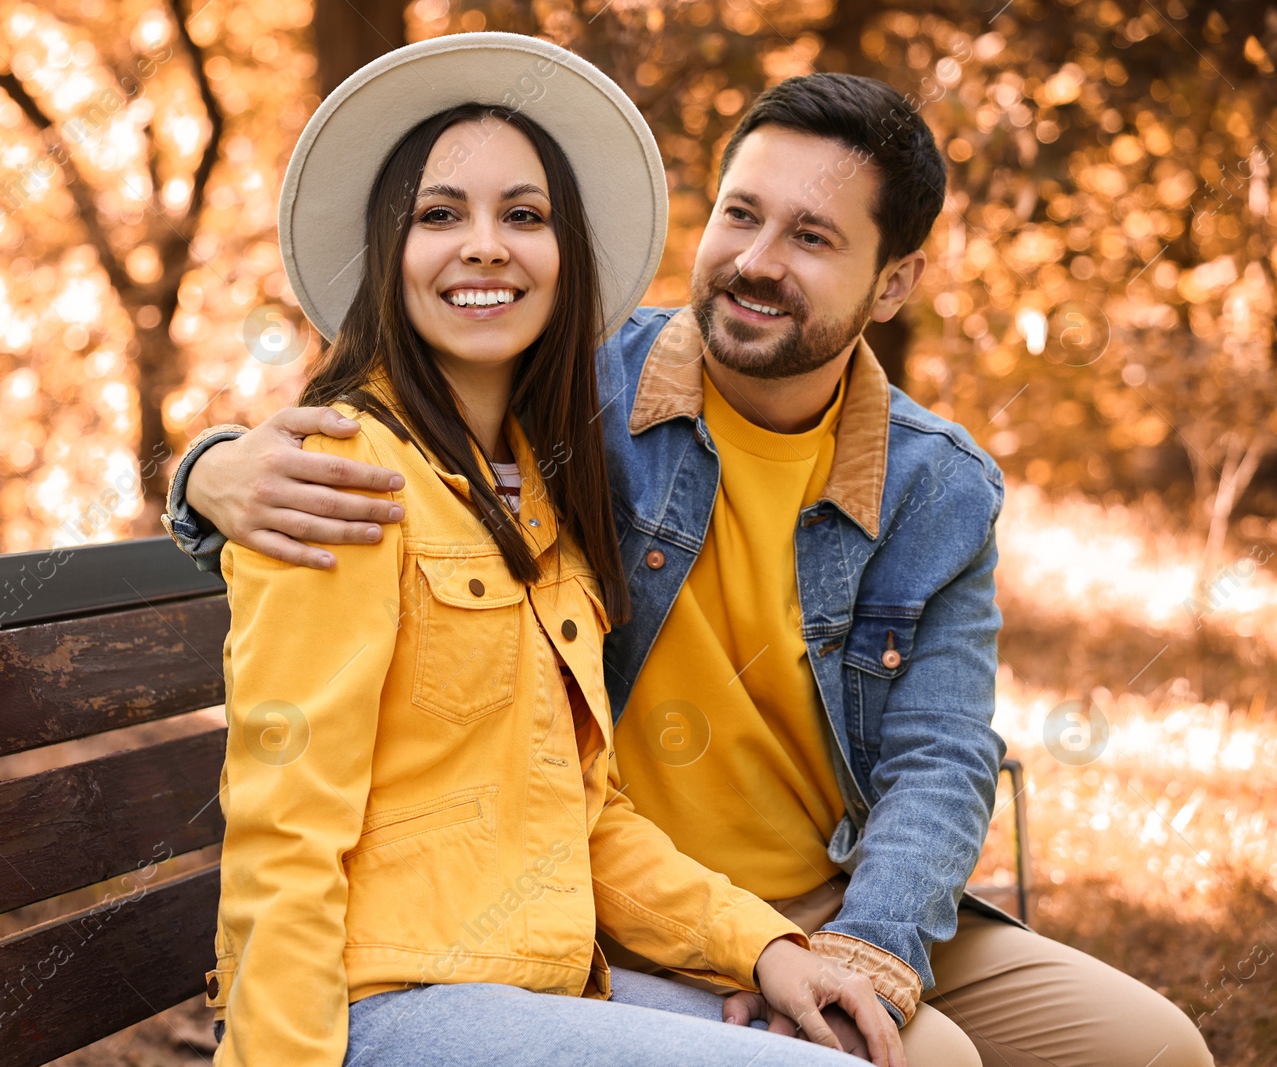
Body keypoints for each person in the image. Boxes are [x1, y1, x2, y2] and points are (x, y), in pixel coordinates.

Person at [170, 65, 1215, 1067]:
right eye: (741, 213)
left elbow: (939, 755)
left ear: (894, 281)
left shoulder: (927, 486)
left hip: (807, 891)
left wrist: (856, 944)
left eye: (811, 235)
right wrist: (206, 469)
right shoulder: (578, 393)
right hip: (518, 938)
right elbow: (289, 811)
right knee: (915, 1055)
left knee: (1154, 1045)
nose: (759, 260)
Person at [204, 33, 899, 1067]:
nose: (484, 245)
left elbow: (586, 819)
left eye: (522, 216)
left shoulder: (537, 490)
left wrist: (761, 947)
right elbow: (284, 832)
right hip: (385, 1006)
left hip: (529, 988)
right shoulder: (345, 482)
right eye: (439, 215)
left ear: (563, 253)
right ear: (389, 249)